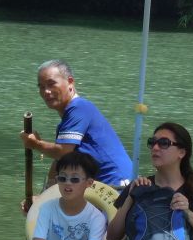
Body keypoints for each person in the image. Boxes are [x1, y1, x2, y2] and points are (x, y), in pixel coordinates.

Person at [20, 59, 132, 192]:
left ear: (70, 82)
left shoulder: (79, 108)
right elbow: (59, 162)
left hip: (116, 186)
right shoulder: (68, 120)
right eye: (41, 87)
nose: (46, 91)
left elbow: (63, 152)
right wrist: (41, 201)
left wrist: (35, 144)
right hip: (101, 188)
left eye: (51, 84)